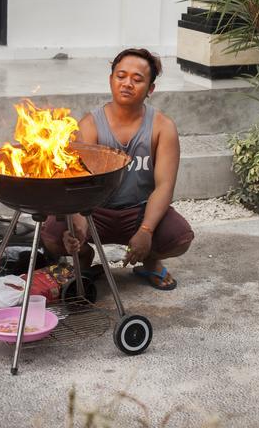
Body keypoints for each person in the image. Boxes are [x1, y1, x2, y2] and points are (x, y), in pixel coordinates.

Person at [41, 48, 194, 290]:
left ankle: (149, 262)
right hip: (95, 212)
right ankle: (82, 257)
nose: (127, 84)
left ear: (150, 89)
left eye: (137, 79)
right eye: (121, 76)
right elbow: (78, 182)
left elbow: (164, 185)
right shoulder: (90, 125)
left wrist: (146, 229)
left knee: (180, 237)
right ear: (111, 80)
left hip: (139, 211)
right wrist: (78, 222)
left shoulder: (162, 127)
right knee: (51, 235)